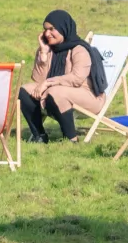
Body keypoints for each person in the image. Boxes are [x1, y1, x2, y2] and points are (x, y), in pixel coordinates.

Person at [17, 9, 107, 143]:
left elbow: (76, 79)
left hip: (88, 96)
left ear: (63, 28)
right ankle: (39, 136)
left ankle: (71, 139)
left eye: (51, 29)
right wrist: (43, 56)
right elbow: (38, 81)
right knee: (25, 90)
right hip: (55, 93)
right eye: (45, 29)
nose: (47, 34)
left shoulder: (79, 50)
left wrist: (48, 83)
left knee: (56, 92)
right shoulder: (48, 49)